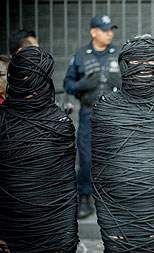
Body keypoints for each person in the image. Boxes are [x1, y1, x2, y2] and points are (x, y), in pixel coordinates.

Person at [91, 34, 154, 252]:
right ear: (125, 64)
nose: (144, 67)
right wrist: (108, 224)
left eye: (151, 60)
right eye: (136, 61)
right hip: (117, 215)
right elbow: (98, 173)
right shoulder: (106, 109)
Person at [0, 46, 78, 252]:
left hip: (50, 230)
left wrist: (67, 233)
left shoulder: (59, 123)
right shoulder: (3, 120)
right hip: (11, 229)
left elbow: (66, 184)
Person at [63, 14, 121, 218]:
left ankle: (112, 200)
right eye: (105, 30)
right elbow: (67, 84)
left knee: (115, 157)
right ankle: (85, 198)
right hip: (89, 112)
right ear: (93, 32)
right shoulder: (81, 55)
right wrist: (81, 85)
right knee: (87, 158)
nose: (109, 34)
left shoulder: (118, 53)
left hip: (114, 114)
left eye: (111, 30)